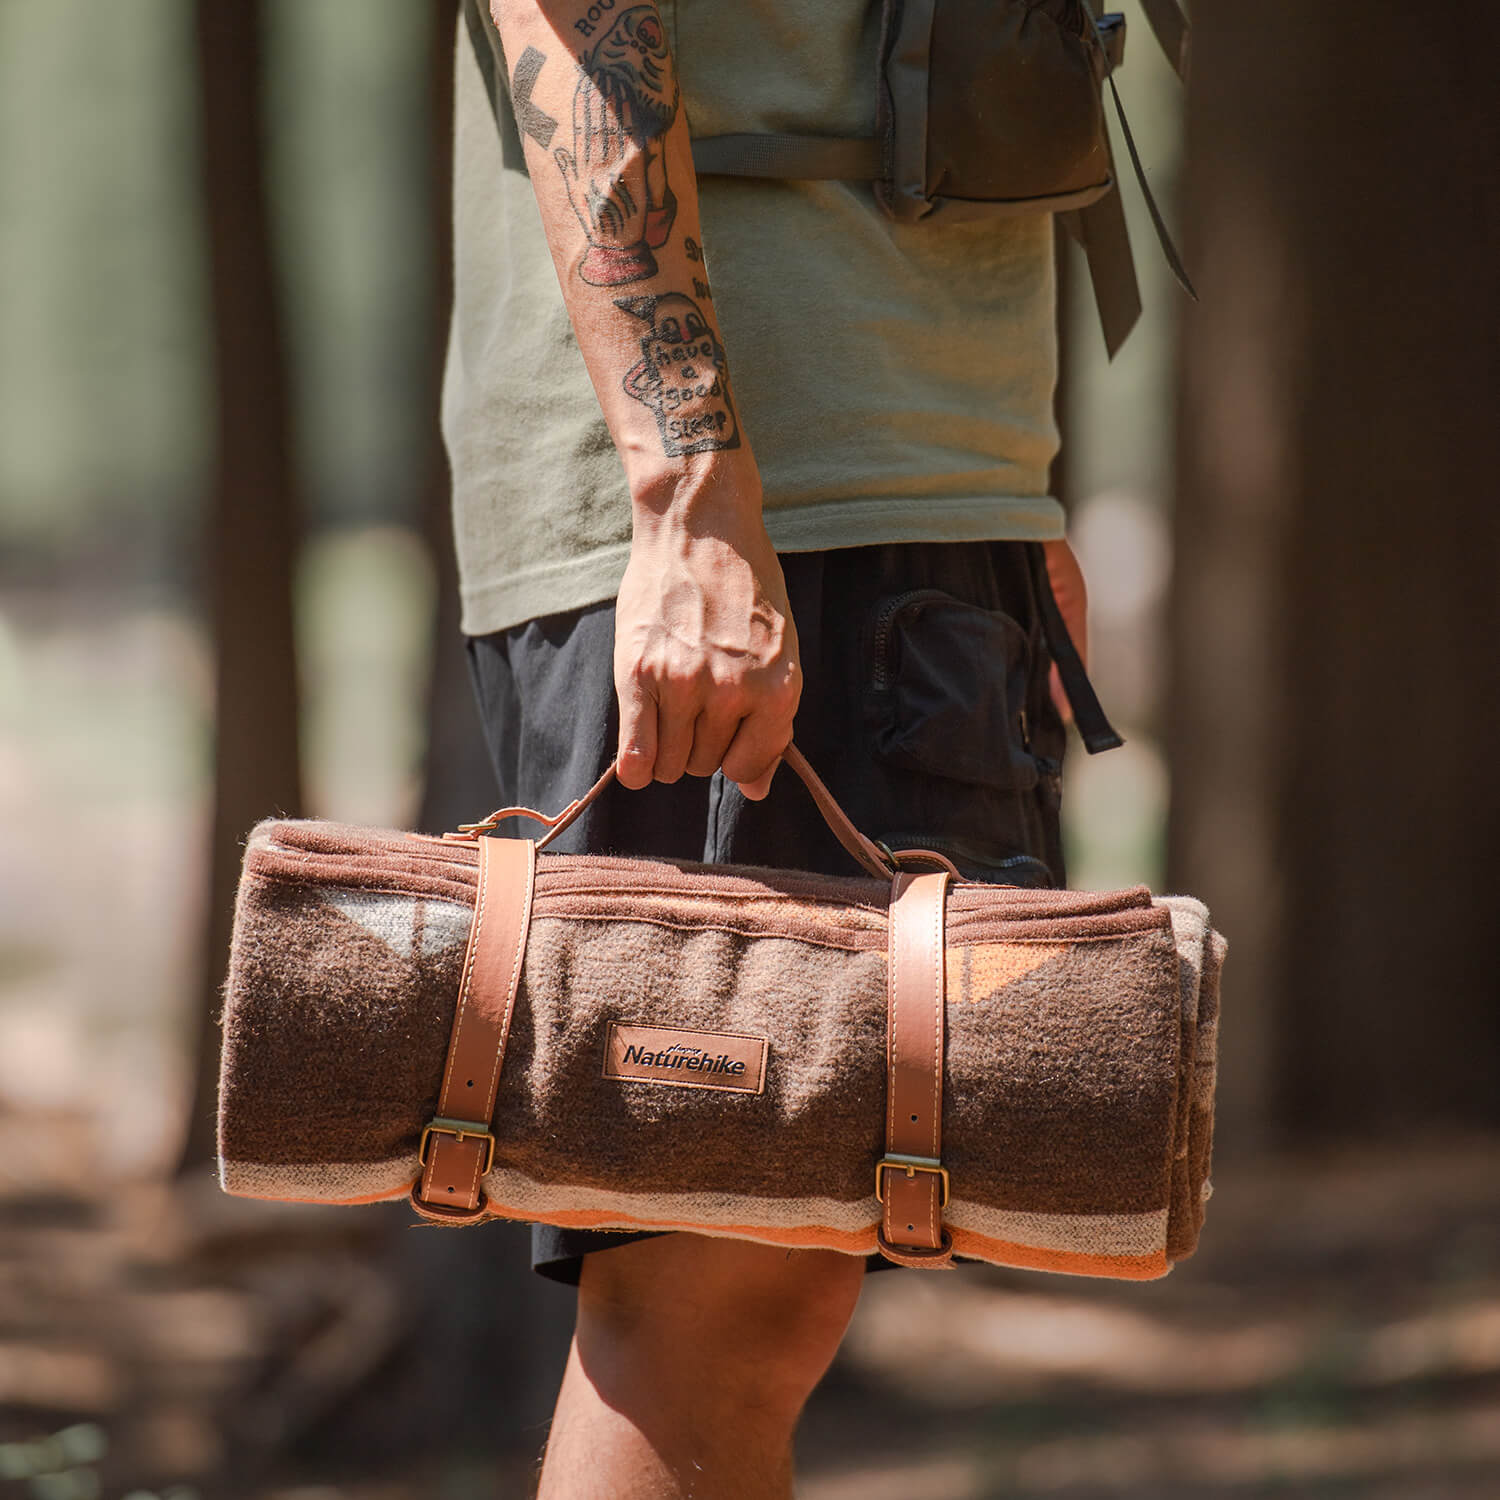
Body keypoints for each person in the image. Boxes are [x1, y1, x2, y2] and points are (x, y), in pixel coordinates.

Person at [443, 2, 1098, 1493]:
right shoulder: (716, 508)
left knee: (775, 1268)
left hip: (905, 472)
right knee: (718, 1280)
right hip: (757, 495)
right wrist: (689, 498)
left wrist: (1012, 486)